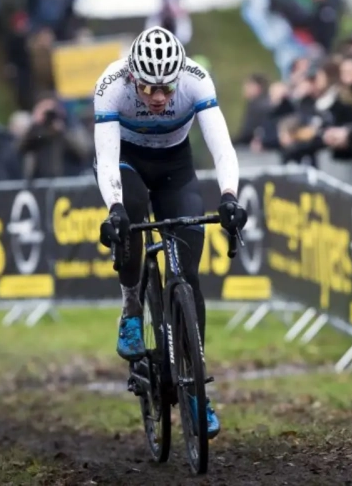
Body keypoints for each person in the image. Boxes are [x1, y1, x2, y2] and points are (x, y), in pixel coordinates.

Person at [93, 26, 248, 439]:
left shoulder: (196, 79)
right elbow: (106, 160)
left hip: (176, 168)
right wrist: (115, 210)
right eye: (148, 88)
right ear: (132, 77)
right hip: (128, 163)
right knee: (132, 217)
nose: (159, 98)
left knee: (189, 273)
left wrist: (229, 197)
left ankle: (195, 386)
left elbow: (222, 148)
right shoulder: (111, 85)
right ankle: (130, 307)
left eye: (166, 87)